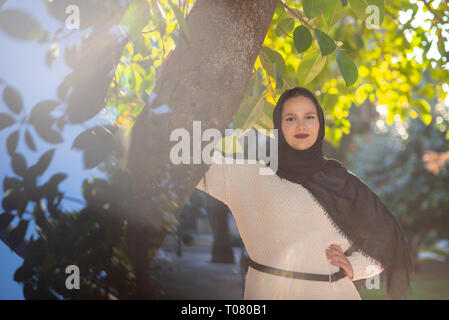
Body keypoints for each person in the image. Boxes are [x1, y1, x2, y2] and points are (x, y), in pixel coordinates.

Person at [196, 86, 414, 300]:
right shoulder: (251, 176)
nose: (301, 125)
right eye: (290, 118)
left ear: (319, 123)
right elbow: (192, 161)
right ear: (278, 126)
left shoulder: (341, 183)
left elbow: (387, 237)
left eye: (309, 117)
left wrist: (354, 266)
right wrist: (183, 90)